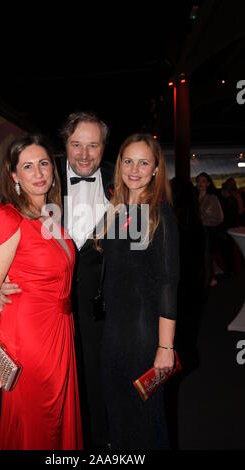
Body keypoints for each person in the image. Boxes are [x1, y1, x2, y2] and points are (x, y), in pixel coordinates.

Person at [0, 111, 113, 448]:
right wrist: (3, 278)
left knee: (95, 383)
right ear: (64, 144)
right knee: (50, 395)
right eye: (76, 144)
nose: (84, 154)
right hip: (47, 312)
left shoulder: (119, 181)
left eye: (93, 145)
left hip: (99, 308)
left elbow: (138, 247)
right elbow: (11, 233)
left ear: (104, 147)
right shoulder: (42, 179)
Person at [0, 134, 83, 450]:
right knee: (39, 423)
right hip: (31, 337)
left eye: (44, 163)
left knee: (58, 418)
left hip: (60, 329)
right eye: (28, 166)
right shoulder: (9, 218)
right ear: (14, 176)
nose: (38, 173)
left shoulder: (51, 215)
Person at [95, 133, 180, 450]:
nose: (134, 169)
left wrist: (166, 347)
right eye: (128, 160)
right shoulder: (118, 212)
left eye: (144, 162)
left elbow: (169, 282)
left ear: (156, 168)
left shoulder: (160, 214)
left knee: (144, 421)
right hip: (114, 334)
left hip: (144, 338)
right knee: (118, 416)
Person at [195, 172, 224, 287]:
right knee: (198, 257)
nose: (200, 184)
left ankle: (209, 278)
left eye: (203, 181)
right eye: (198, 181)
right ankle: (201, 279)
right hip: (196, 233)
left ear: (208, 184)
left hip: (207, 233)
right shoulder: (193, 198)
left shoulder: (212, 198)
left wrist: (203, 220)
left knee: (207, 257)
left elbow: (220, 218)